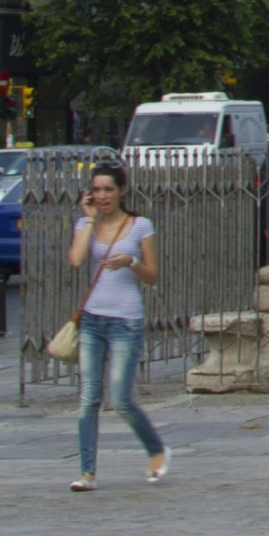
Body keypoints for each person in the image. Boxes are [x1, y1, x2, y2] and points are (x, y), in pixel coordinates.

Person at [67, 163, 167, 491]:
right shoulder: (86, 223)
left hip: (126, 321)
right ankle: (86, 472)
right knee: (89, 398)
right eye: (96, 190)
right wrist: (91, 219)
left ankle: (156, 450)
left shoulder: (141, 226)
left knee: (121, 400)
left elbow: (153, 276)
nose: (102, 196)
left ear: (121, 190)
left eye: (108, 189)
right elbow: (77, 260)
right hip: (93, 320)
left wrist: (131, 262)